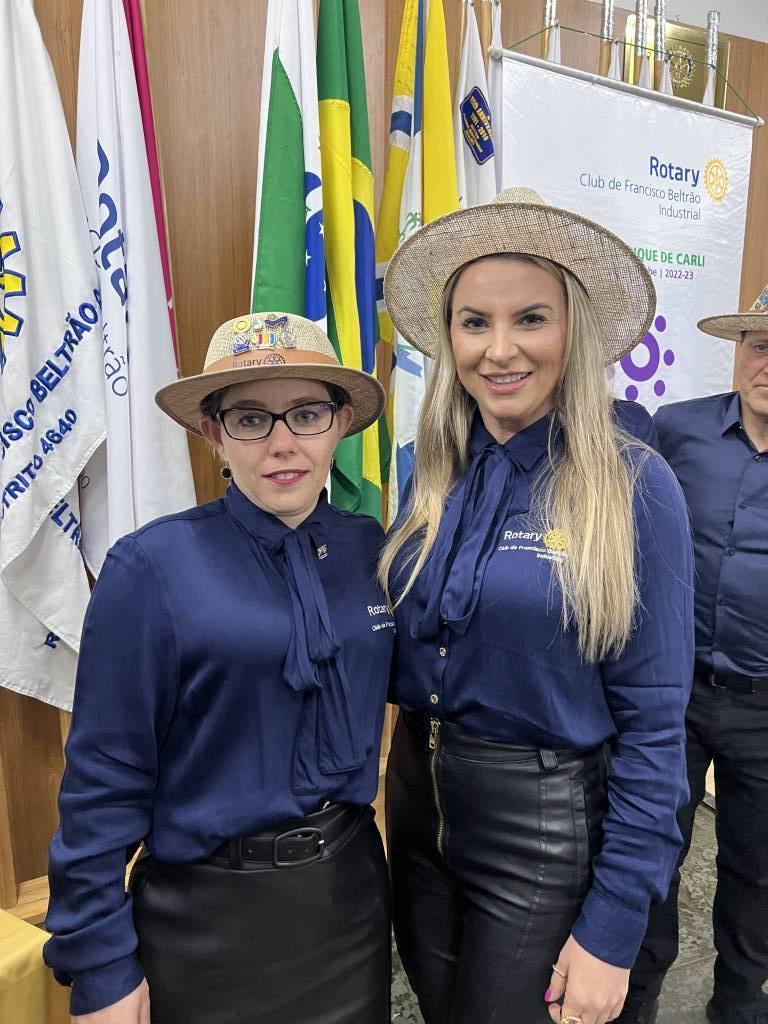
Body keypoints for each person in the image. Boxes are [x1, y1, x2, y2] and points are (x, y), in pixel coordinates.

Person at [380, 188, 695, 1024]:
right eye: (474, 322)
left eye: (530, 319)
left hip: (541, 834)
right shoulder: (426, 473)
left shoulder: (634, 488)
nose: (500, 349)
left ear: (573, 332)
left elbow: (656, 729)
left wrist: (615, 927)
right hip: (416, 809)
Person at [44, 312, 394, 1024]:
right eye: (250, 419)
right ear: (213, 435)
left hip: (348, 903)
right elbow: (103, 779)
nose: (283, 443)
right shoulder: (152, 568)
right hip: (205, 918)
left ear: (339, 424)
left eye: (307, 413)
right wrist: (99, 964)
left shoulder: (371, 549)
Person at [621, 288, 768, 1024]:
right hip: (670, 697)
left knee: (757, 871)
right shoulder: (674, 430)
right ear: (738, 352)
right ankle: (633, 1001)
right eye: (760, 346)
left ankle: (739, 1006)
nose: (767, 364)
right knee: (649, 854)